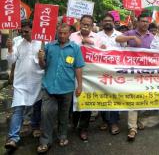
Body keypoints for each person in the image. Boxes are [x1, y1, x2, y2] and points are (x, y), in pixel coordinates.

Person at [37, 23, 84, 153]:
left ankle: (62, 135)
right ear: (57, 32)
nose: (62, 35)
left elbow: (78, 67)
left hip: (66, 88)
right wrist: (41, 59)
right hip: (49, 87)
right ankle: (45, 141)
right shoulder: (49, 46)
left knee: (64, 115)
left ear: (70, 33)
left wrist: (79, 85)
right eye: (60, 33)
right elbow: (43, 66)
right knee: (46, 114)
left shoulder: (75, 48)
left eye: (65, 33)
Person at [4, 20, 44, 150]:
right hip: (21, 82)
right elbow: (12, 60)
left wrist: (42, 57)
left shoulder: (42, 42)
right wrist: (10, 49)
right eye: (21, 31)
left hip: (37, 81)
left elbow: (46, 62)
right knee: (18, 109)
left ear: (34, 29)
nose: (23, 34)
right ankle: (13, 138)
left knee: (37, 106)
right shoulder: (17, 41)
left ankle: (35, 126)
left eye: (26, 31)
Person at [115, 14, 154, 141]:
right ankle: (132, 127)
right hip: (131, 73)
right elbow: (117, 39)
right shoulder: (130, 33)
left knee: (146, 99)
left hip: (147, 73)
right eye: (142, 21)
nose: (144, 23)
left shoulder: (152, 37)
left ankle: (140, 121)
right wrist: (131, 37)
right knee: (134, 98)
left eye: (147, 21)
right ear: (137, 22)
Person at [70, 15, 105, 142]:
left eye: (88, 25)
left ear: (92, 26)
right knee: (73, 100)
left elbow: (102, 54)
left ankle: (84, 128)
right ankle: (74, 123)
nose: (85, 26)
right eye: (83, 24)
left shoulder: (97, 38)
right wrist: (81, 44)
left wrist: (93, 45)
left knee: (87, 101)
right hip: (72, 74)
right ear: (79, 24)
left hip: (90, 75)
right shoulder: (72, 36)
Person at [97, 13, 121, 135]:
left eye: (110, 20)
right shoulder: (96, 36)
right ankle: (105, 120)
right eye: (105, 20)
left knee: (114, 96)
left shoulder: (120, 36)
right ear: (101, 23)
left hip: (117, 73)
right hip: (101, 72)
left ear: (113, 22)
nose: (108, 22)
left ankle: (114, 122)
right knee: (103, 95)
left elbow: (127, 52)